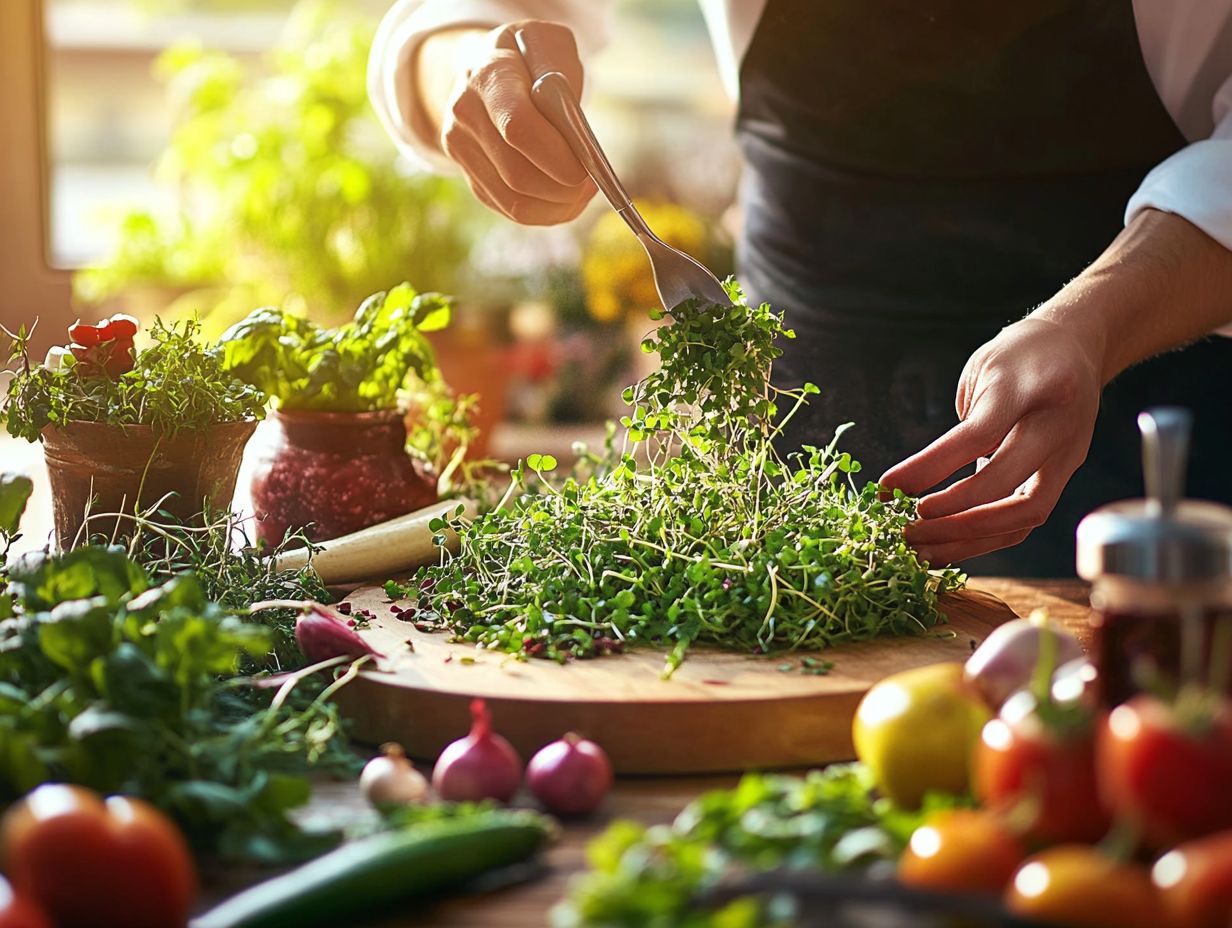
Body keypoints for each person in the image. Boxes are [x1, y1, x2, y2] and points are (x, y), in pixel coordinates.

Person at [369, 1, 1232, 576]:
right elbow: (446, 21)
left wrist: (1095, 322)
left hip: (1145, 458)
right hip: (783, 454)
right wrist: (478, 69)